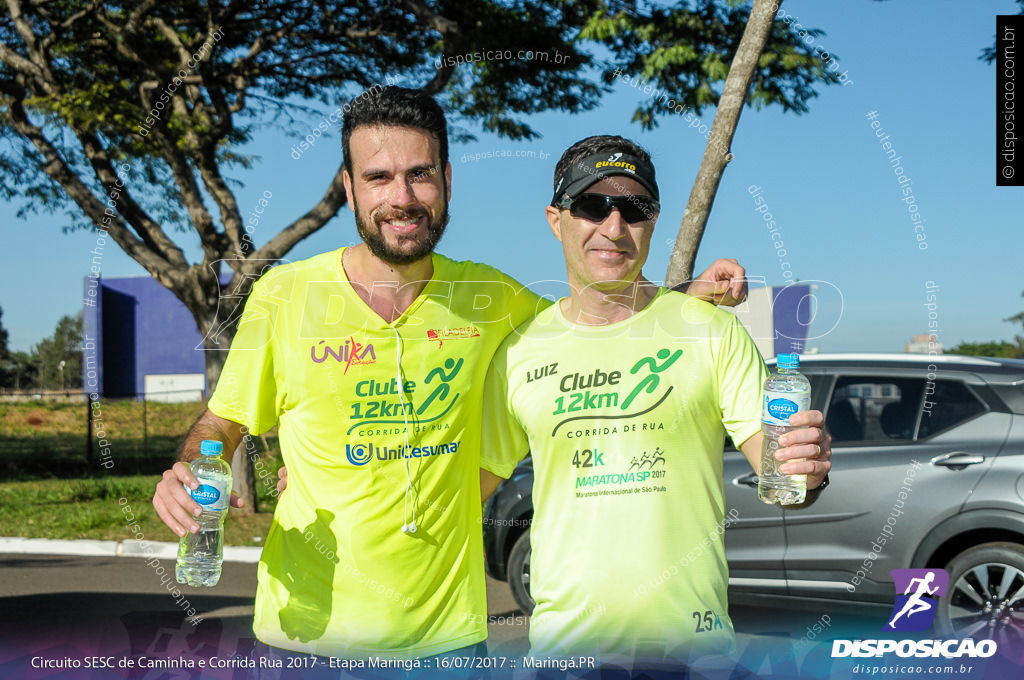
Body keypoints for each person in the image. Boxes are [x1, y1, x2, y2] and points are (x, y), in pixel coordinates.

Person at [151, 86, 750, 662]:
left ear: (447, 180)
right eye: (378, 177)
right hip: (303, 639)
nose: (402, 197)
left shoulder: (494, 298)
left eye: (421, 173)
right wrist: (187, 469)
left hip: (448, 643)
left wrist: (680, 297)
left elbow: (591, 319)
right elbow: (221, 424)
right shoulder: (284, 296)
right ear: (349, 189)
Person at [479, 134, 833, 667]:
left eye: (634, 209)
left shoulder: (711, 330)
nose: (614, 227)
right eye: (593, 205)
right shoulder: (519, 352)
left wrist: (807, 471)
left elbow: (785, 483)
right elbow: (465, 491)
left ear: (654, 219)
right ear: (556, 219)